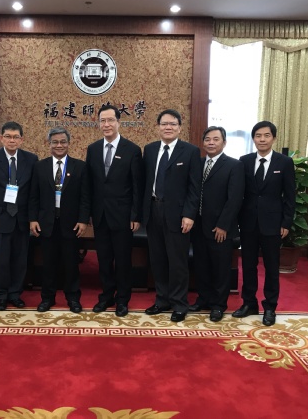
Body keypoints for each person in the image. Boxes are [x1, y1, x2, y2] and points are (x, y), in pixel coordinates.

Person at [233, 121, 295, 326]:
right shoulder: (244, 161)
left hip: (273, 223)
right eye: (258, 136)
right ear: (253, 139)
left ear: (273, 138)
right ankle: (249, 303)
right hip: (248, 222)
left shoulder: (284, 162)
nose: (262, 139)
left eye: (266, 135)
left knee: (271, 266)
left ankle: (270, 307)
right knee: (248, 265)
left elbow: (290, 195)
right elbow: (239, 192)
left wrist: (286, 222)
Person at [141, 109, 201, 322]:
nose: (168, 127)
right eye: (164, 124)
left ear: (180, 128)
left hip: (178, 215)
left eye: (173, 124)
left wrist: (189, 214)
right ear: (158, 127)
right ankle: (162, 300)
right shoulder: (149, 150)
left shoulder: (190, 151)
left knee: (177, 261)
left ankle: (179, 303)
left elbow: (194, 187)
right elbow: (144, 182)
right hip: (153, 210)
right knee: (157, 259)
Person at [86, 104, 144, 317]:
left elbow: (137, 185)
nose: (106, 124)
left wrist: (136, 215)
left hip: (123, 216)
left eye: (110, 120)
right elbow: (90, 185)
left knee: (122, 260)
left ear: (119, 122)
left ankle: (122, 299)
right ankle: (107, 296)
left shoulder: (132, 150)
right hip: (100, 215)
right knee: (103, 259)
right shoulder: (93, 149)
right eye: (103, 120)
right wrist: (88, 213)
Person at [29, 127, 90, 313]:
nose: (59, 145)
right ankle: (47, 298)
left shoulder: (80, 167)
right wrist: (33, 219)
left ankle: (73, 298)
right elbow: (33, 196)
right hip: (46, 223)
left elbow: (85, 197)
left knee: (71, 264)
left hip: (71, 224)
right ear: (49, 144)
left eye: (63, 141)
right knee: (48, 264)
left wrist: (83, 220)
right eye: (55, 142)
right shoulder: (40, 166)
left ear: (69, 143)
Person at [0, 121, 37, 311]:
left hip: (22, 219)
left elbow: (33, 193)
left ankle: (15, 294)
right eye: (8, 137)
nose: (12, 140)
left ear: (22, 139)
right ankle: (0, 295)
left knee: (20, 261)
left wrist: (33, 218)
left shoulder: (31, 159)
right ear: (1, 138)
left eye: (16, 137)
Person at [190, 126, 244, 322]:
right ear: (203, 143)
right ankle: (203, 299)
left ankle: (218, 305)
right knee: (201, 265)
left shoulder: (234, 165)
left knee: (221, 268)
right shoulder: (197, 163)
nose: (211, 142)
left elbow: (235, 198)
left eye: (216, 139)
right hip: (198, 225)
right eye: (207, 139)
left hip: (220, 227)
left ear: (224, 142)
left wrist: (223, 225)